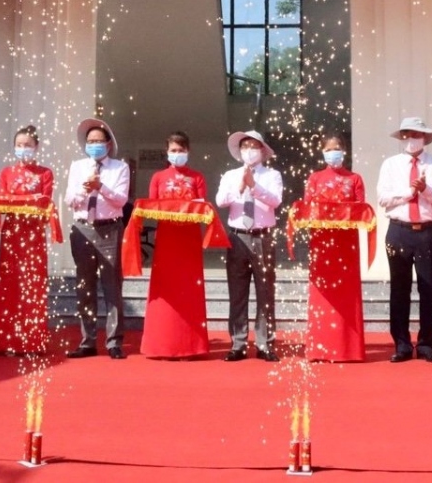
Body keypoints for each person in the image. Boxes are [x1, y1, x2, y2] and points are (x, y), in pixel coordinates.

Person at [376, 117, 432, 363]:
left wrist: (426, 190)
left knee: (428, 288)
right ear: (402, 137)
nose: (412, 139)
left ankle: (427, 345)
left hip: (428, 232)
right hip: (399, 230)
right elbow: (383, 198)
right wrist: (409, 192)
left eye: (417, 134)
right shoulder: (391, 164)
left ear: (425, 138)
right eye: (408, 134)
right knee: (399, 289)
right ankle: (401, 344)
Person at [0, 125, 55, 355]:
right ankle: (8, 340)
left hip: (33, 234)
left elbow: (45, 202)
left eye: (27, 145)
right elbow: (3, 200)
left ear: (36, 147)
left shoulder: (45, 173)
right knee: (10, 284)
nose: (23, 149)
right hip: (12, 233)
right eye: (19, 145)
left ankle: (32, 341)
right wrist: (24, 202)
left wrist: (24, 202)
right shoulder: (6, 173)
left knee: (32, 285)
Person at [65, 118, 130, 359]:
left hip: (109, 229)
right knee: (85, 285)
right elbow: (69, 199)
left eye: (98, 141)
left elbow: (121, 200)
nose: (94, 145)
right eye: (90, 141)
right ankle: (88, 340)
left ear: (109, 144)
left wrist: (100, 186)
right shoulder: (78, 166)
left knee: (112, 285)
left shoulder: (120, 168)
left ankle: (113, 341)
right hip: (83, 228)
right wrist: (84, 189)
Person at [141, 131, 210, 360]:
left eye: (181, 150)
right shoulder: (158, 177)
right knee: (166, 290)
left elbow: (203, 207)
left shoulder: (197, 177)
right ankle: (161, 345)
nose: (177, 154)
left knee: (188, 290)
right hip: (167, 239)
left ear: (188, 151)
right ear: (167, 152)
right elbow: (151, 206)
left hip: (189, 239)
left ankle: (190, 346)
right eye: (173, 150)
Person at [217, 130, 283, 362]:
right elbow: (221, 201)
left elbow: (276, 200)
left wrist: (254, 186)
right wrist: (241, 186)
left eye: (254, 146)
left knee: (265, 292)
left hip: (262, 236)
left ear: (262, 150)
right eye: (245, 146)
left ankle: (265, 343)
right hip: (237, 236)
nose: (249, 150)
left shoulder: (272, 175)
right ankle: (238, 343)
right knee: (237, 292)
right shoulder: (230, 174)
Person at [302, 134, 367, 362]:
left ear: (344, 151)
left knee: (347, 295)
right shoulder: (314, 178)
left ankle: (349, 349)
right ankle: (321, 348)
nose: (334, 151)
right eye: (329, 148)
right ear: (322, 152)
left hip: (346, 245)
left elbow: (361, 209)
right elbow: (307, 209)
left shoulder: (355, 179)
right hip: (321, 244)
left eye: (337, 147)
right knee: (323, 294)